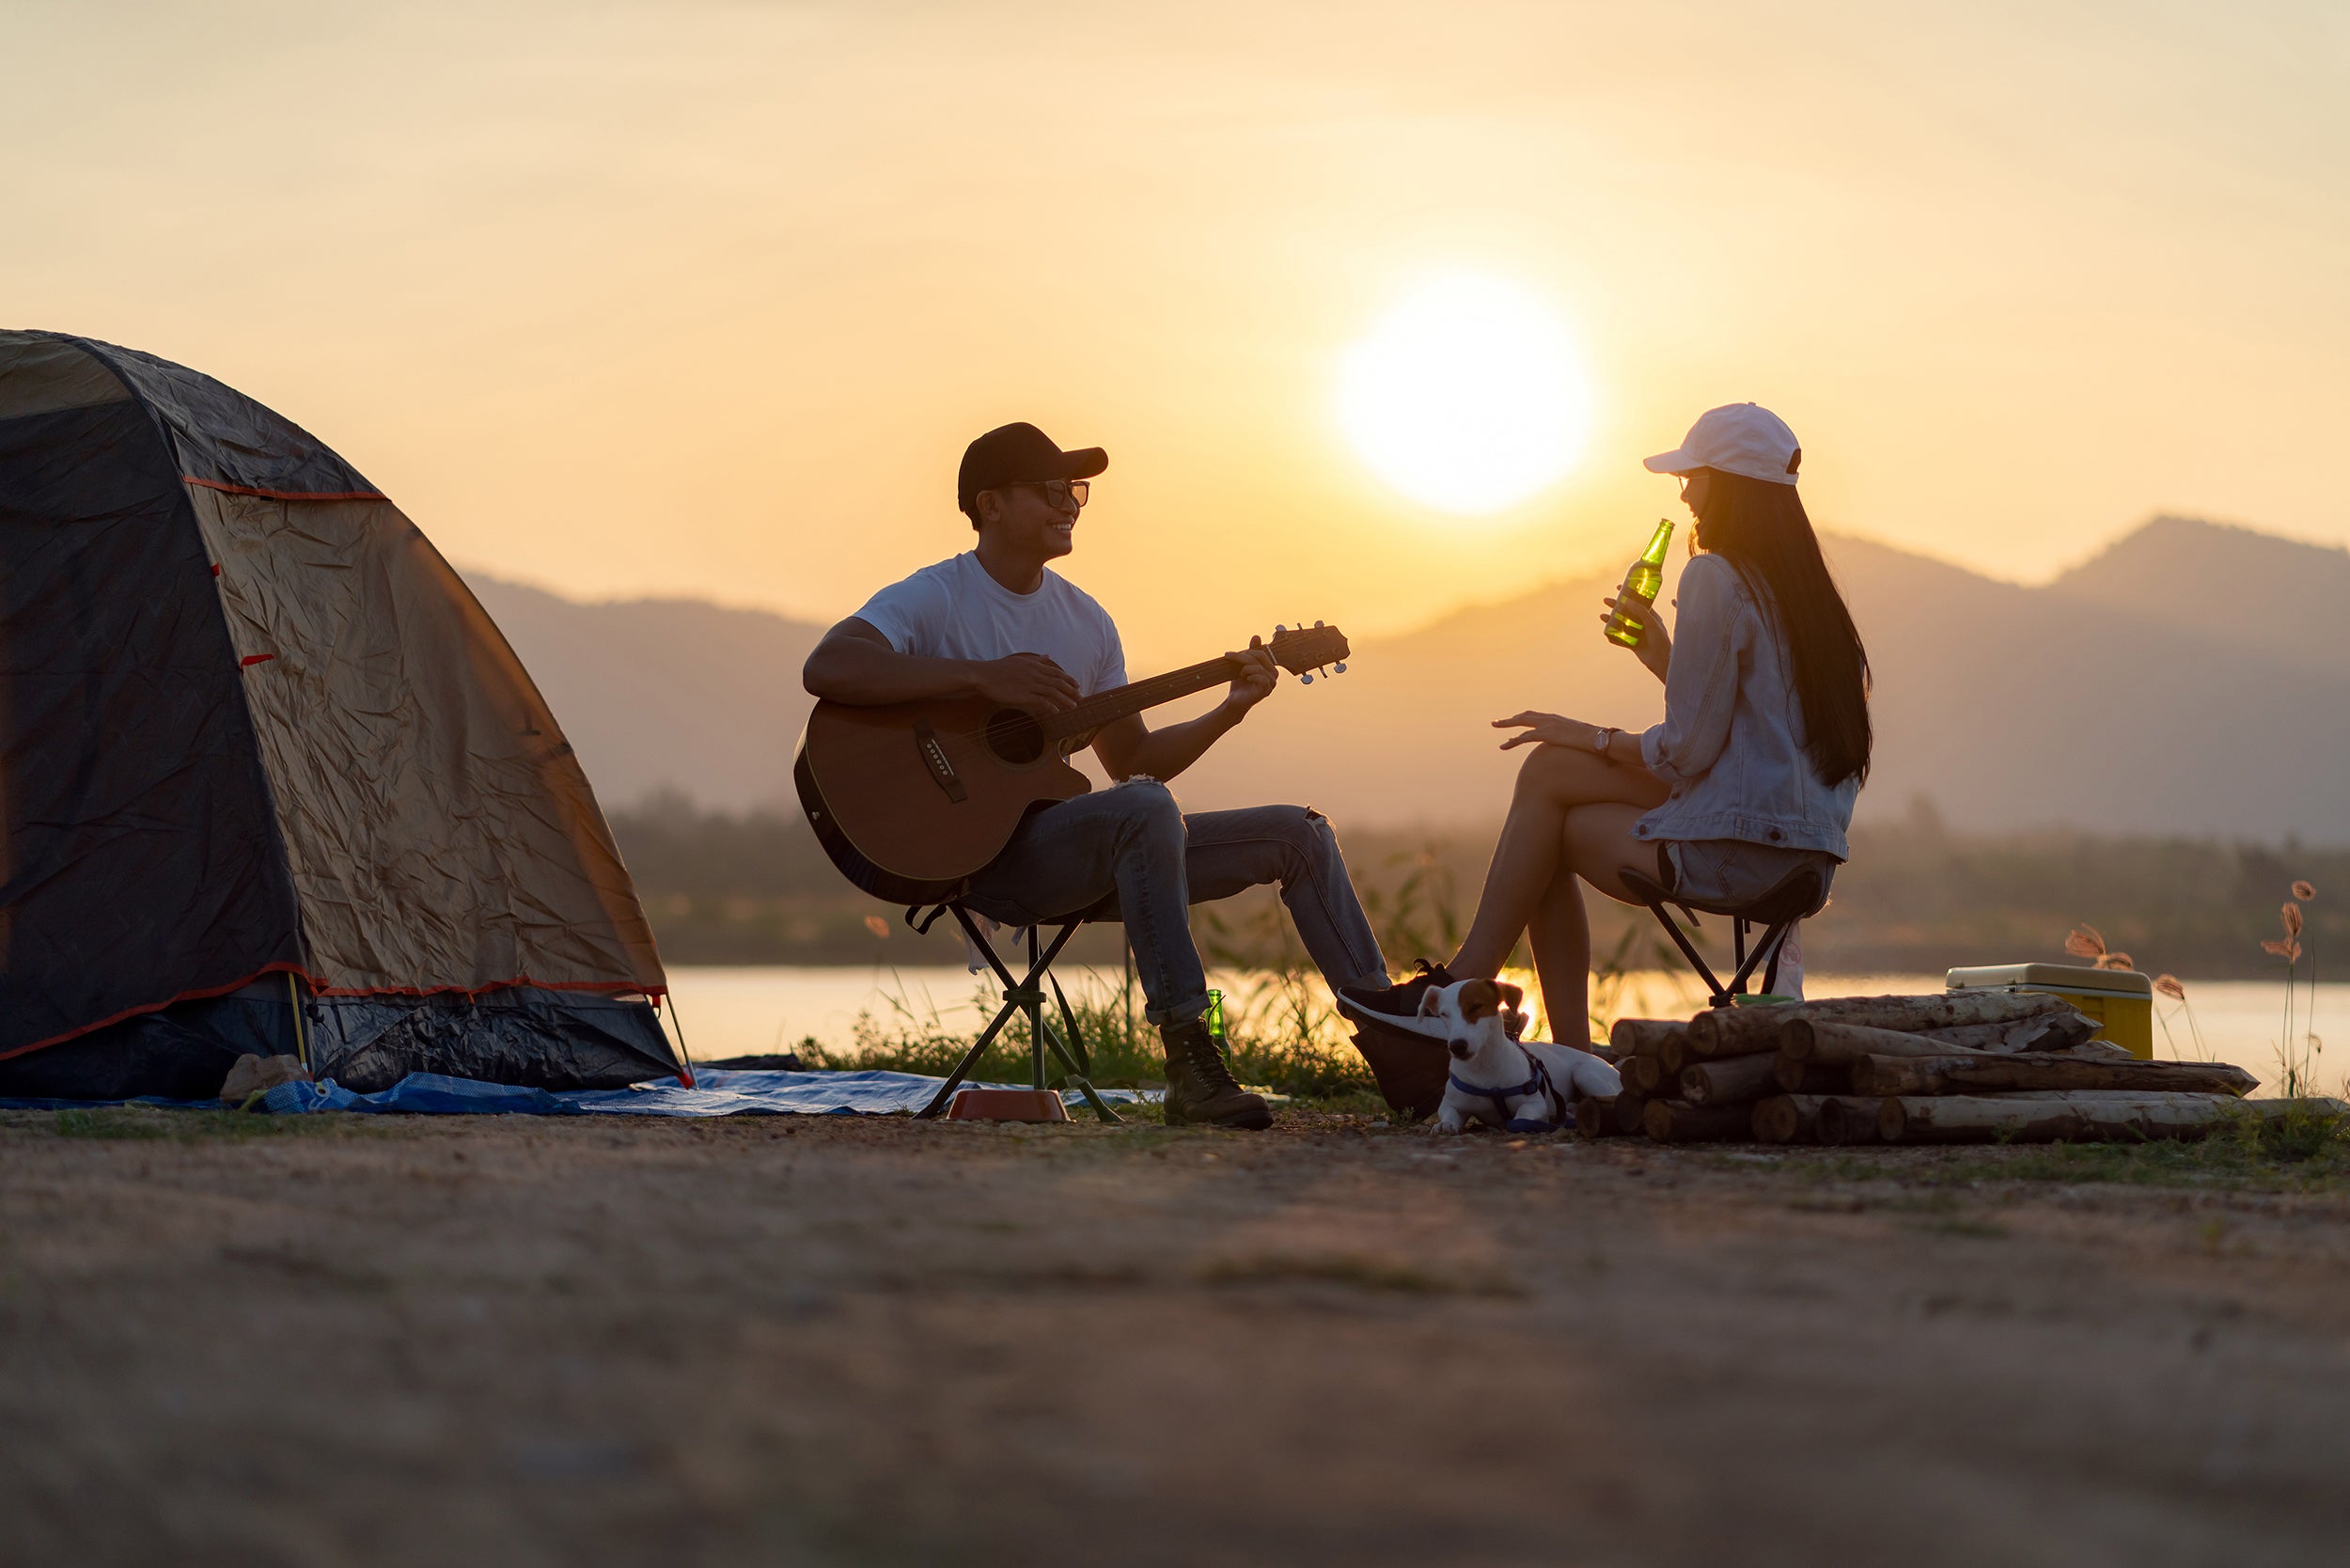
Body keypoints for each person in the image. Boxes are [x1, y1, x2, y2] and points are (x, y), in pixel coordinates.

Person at [802, 421, 1394, 1129]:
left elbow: (1135, 762)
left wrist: (1229, 710)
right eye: (1052, 490)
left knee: (1298, 833)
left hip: (1089, 853)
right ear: (991, 504)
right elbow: (828, 666)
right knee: (1144, 809)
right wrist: (984, 679)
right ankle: (1190, 1061)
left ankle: (1397, 1044)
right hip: (982, 862)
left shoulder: (1087, 623)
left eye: (1075, 490)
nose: (1072, 504)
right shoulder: (936, 597)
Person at [1341, 403, 1872, 1040]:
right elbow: (1753, 730)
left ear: (1724, 482)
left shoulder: (1715, 574)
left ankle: (1498, 1011)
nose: (1683, 492)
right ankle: (1500, 1005)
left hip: (1743, 852)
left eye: (1691, 475)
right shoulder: (1807, 594)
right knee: (1551, 772)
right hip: (1804, 861)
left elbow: (1688, 753)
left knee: (1552, 821)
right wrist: (1662, 657)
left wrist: (1593, 736)